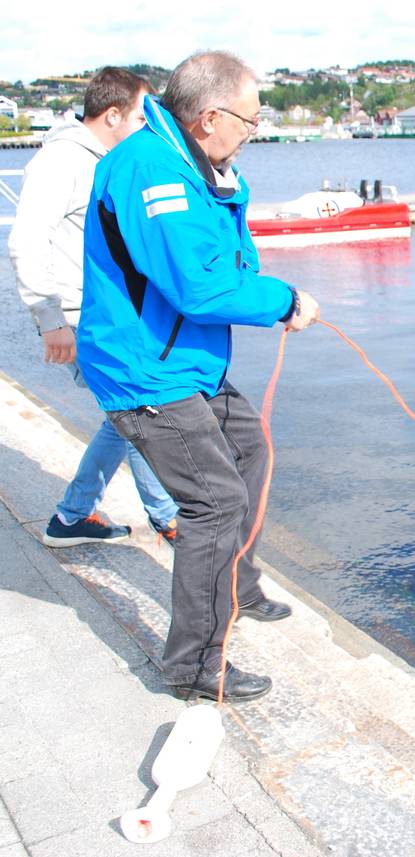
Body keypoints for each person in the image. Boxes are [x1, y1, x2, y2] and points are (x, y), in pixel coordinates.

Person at [78, 51, 320, 703]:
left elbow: (230, 257)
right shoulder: (152, 172)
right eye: (251, 119)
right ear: (210, 116)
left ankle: (235, 586)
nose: (254, 131)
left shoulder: (196, 163)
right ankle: (192, 666)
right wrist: (285, 301)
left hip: (185, 361)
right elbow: (200, 288)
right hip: (148, 371)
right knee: (214, 502)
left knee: (249, 449)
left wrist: (232, 194)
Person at [7, 67, 181, 548]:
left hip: (105, 315)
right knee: (143, 406)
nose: (148, 130)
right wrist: (50, 321)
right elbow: (25, 240)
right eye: (142, 119)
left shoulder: (102, 161)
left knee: (123, 415)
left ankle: (73, 515)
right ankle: (168, 519)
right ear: (111, 115)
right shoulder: (62, 161)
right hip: (78, 320)